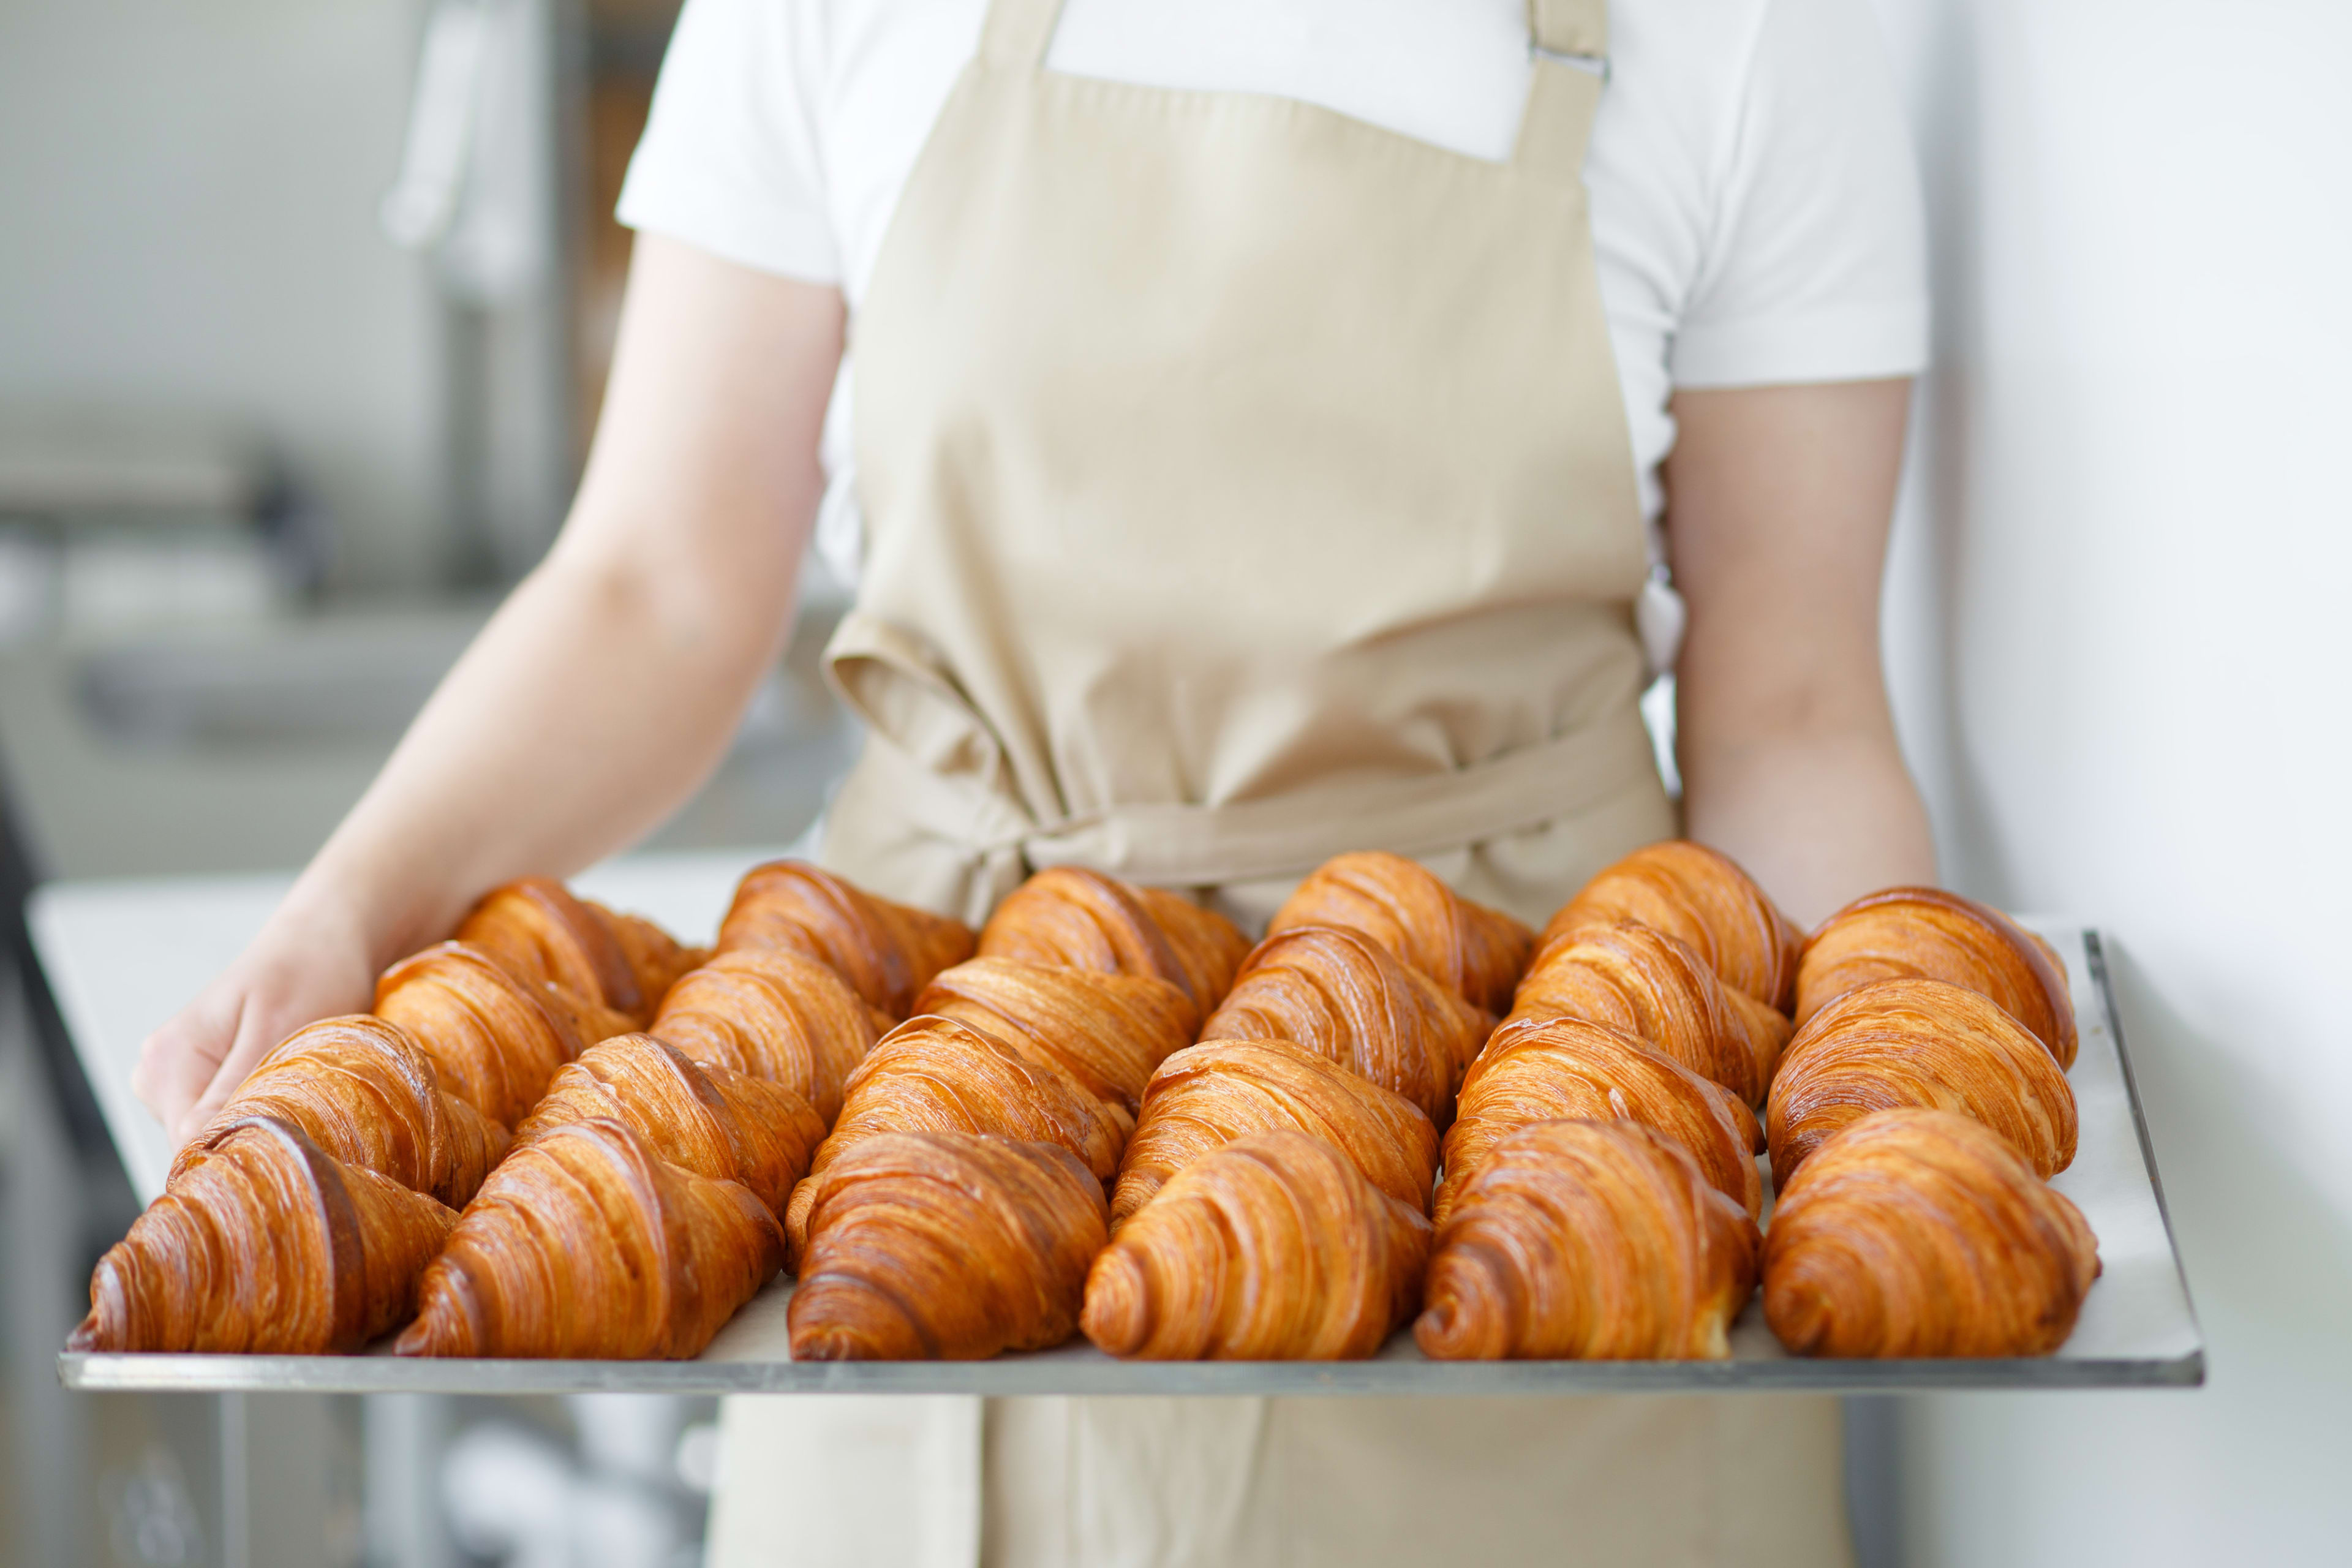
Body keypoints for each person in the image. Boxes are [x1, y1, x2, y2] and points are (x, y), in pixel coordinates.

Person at [137, 0, 1935, 1560]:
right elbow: (657, 590)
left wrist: (1889, 1140)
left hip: (1532, 1134)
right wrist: (346, 911)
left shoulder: (1753, 31)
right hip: (935, 1091)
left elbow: (1791, 705)